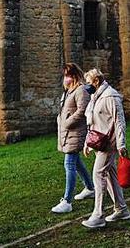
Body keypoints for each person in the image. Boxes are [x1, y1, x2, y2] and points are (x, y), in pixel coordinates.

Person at [81, 68, 130, 228]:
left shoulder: (110, 96)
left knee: (98, 173)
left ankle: (98, 215)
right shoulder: (95, 97)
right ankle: (121, 209)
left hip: (109, 143)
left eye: (89, 82)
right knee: (110, 175)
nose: (87, 86)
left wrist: (121, 144)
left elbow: (119, 121)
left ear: (96, 81)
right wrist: (87, 143)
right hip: (99, 142)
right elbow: (93, 122)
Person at [52, 64, 94, 214]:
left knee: (69, 164)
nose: (65, 79)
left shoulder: (81, 90)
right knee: (76, 163)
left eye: (67, 75)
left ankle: (67, 201)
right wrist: (61, 120)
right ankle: (90, 188)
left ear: (74, 76)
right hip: (67, 133)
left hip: (76, 132)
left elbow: (83, 110)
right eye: (64, 75)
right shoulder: (68, 92)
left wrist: (68, 122)